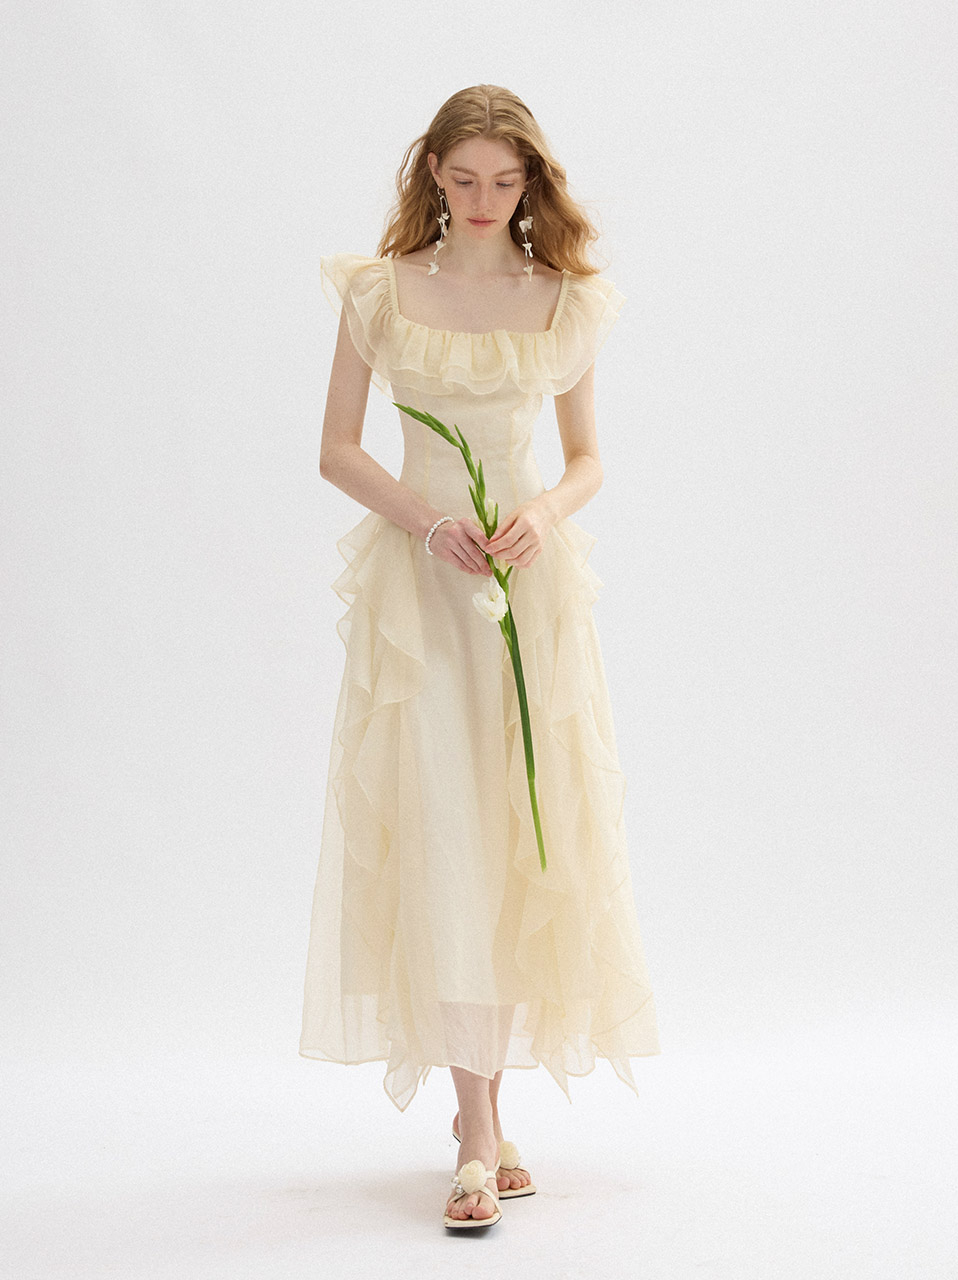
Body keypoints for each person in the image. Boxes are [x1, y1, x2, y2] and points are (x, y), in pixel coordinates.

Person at [299, 84, 661, 1231]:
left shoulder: (564, 297)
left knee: (517, 834)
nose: (483, 199)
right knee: (446, 831)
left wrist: (542, 513)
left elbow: (588, 455)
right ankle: (476, 1129)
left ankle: (488, 1124)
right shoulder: (380, 290)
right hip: (422, 599)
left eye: (505, 181)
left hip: (528, 596)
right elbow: (336, 448)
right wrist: (426, 522)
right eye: (463, 179)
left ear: (531, 182)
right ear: (433, 174)